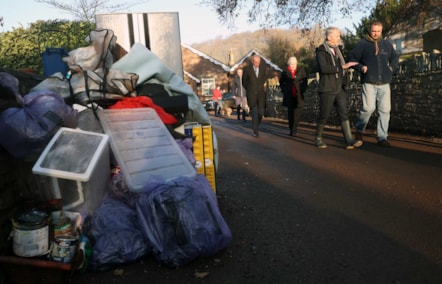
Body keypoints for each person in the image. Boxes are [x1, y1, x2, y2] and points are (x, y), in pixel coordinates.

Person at [349, 21, 399, 147]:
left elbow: (394, 58)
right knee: (368, 108)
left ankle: (382, 137)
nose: (375, 33)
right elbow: (351, 58)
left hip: (384, 83)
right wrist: (360, 68)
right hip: (369, 82)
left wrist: (392, 68)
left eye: (378, 31)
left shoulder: (386, 44)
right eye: (373, 31)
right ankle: (359, 132)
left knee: (385, 110)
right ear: (369, 31)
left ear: (381, 31)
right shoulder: (363, 44)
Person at [314, 27, 362, 149]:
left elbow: (343, 67)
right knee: (324, 115)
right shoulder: (321, 50)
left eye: (339, 35)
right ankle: (318, 138)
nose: (339, 38)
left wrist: (347, 68)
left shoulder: (338, 50)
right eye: (337, 36)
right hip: (327, 88)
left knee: (344, 113)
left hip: (339, 86)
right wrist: (342, 67)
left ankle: (349, 140)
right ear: (329, 37)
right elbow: (324, 69)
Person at [279, 56, 308, 136]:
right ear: (288, 64)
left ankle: (295, 127)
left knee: (297, 113)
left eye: (294, 64)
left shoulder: (301, 70)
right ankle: (292, 128)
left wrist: (303, 89)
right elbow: (281, 82)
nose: (292, 66)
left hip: (298, 95)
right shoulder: (285, 72)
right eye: (291, 64)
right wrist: (284, 90)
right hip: (289, 95)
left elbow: (305, 81)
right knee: (291, 113)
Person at [242, 54, 267, 137]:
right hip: (251, 94)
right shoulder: (247, 69)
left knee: (261, 113)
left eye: (258, 62)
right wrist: (249, 89)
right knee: (254, 112)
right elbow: (244, 82)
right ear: (252, 62)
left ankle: (256, 124)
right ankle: (255, 130)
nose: (257, 64)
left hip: (260, 95)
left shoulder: (263, 69)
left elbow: (264, 79)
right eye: (256, 62)